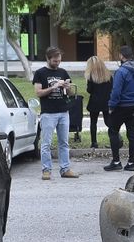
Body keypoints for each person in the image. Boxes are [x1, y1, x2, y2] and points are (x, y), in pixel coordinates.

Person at [31, 46, 78, 179]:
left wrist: (67, 87)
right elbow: (38, 93)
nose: (57, 63)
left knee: (64, 142)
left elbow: (71, 93)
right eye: (55, 61)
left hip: (63, 112)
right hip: (48, 113)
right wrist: (53, 87)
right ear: (48, 59)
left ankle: (65, 169)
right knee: (46, 143)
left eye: (59, 61)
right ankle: (46, 170)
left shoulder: (63, 72)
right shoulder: (40, 73)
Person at [104, 45, 134, 171]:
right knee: (132, 133)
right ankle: (131, 163)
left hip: (121, 105)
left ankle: (116, 162)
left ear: (122, 56)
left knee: (113, 131)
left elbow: (116, 91)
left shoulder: (121, 71)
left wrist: (111, 106)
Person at [84, 55, 112, 148]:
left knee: (93, 122)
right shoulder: (108, 75)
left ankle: (94, 142)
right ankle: (115, 138)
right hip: (106, 101)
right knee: (108, 122)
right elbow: (112, 88)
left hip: (95, 102)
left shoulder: (91, 76)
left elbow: (89, 90)